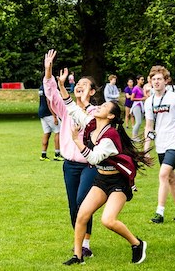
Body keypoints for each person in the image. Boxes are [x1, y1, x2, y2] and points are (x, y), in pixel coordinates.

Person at [61, 87, 151, 265]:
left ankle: (137, 244)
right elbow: (72, 109)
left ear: (110, 116)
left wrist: (77, 141)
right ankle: (78, 257)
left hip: (118, 182)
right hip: (101, 180)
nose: (99, 107)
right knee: (82, 215)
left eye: (104, 106)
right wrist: (62, 86)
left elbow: (93, 159)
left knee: (108, 220)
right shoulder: (92, 124)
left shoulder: (110, 136)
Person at [43, 50, 98, 258]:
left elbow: (89, 123)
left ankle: (86, 244)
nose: (80, 87)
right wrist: (49, 71)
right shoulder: (65, 109)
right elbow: (51, 93)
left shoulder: (96, 111)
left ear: (92, 92)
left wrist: (78, 100)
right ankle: (80, 242)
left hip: (89, 165)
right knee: (73, 206)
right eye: (79, 84)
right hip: (70, 165)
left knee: (83, 202)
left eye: (85, 85)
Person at [143, 66, 175, 225]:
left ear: (166, 81)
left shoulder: (174, 98)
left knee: (163, 174)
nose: (156, 82)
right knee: (171, 179)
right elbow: (149, 126)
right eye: (153, 79)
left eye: (159, 79)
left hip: (174, 142)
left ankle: (159, 212)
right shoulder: (149, 102)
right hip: (160, 144)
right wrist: (146, 149)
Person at [38, 84, 61, 161]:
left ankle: (43, 155)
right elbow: (49, 102)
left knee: (47, 132)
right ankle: (57, 154)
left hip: (42, 112)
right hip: (49, 113)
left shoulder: (41, 87)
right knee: (58, 132)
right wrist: (54, 116)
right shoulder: (48, 88)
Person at [130, 75, 146, 140]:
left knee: (139, 122)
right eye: (141, 79)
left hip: (141, 105)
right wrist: (141, 99)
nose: (143, 81)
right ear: (137, 80)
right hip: (136, 106)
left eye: (143, 80)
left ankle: (136, 135)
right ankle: (134, 136)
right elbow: (132, 98)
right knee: (138, 122)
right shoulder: (135, 88)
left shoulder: (141, 88)